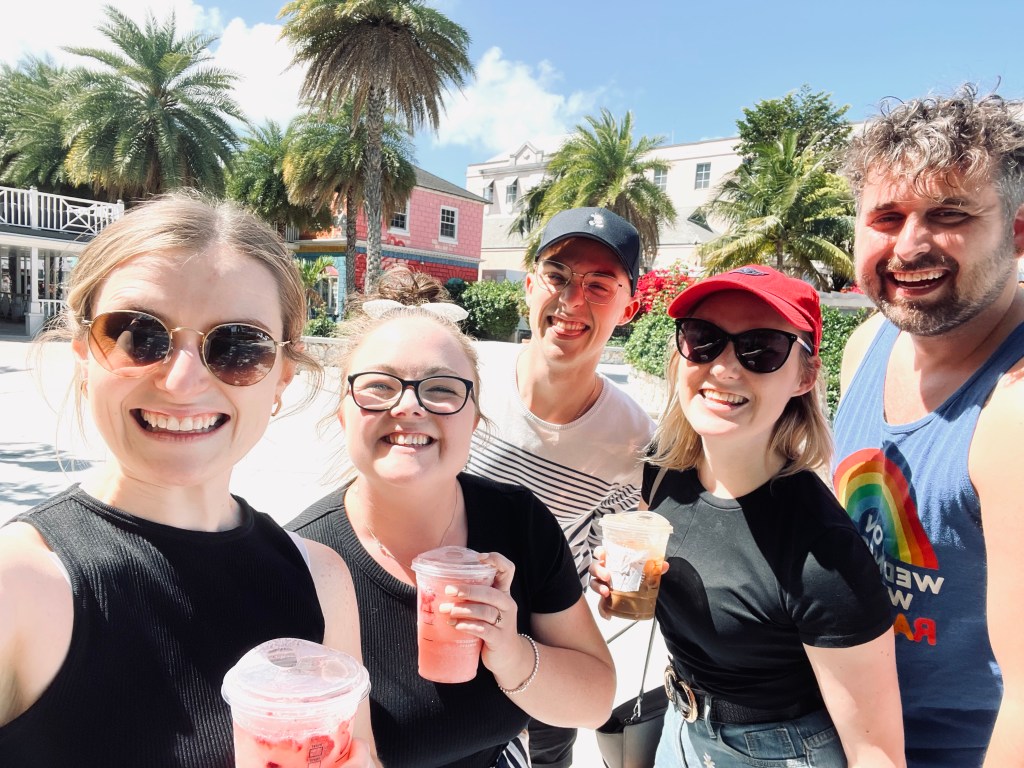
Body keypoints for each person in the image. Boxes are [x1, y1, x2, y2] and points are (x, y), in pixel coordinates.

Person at [0, 193, 374, 767]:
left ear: (280, 379)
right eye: (137, 335)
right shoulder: (17, 585)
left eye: (238, 347)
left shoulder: (322, 579)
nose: (181, 380)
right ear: (83, 359)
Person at [287, 267, 616, 768]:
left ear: (474, 420)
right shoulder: (300, 563)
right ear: (343, 414)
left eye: (441, 390)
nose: (410, 406)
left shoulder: (518, 522)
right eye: (379, 386)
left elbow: (594, 702)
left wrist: (511, 653)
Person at [591, 265, 905, 767]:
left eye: (762, 348)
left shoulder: (824, 554)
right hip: (680, 729)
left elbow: (877, 752)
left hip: (782, 752)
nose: (724, 367)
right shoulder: (661, 474)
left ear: (804, 376)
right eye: (704, 339)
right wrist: (622, 589)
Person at [833, 86, 1024, 768]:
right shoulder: (866, 347)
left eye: (949, 215)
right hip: (848, 734)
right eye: (886, 217)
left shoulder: (1014, 409)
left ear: (1018, 231)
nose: (910, 246)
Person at [465, 207, 655, 768]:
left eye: (599, 284)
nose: (572, 300)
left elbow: (622, 556)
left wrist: (616, 578)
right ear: (529, 286)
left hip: (542, 660)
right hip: (431, 633)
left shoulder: (633, 437)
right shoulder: (466, 383)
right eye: (558, 275)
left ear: (630, 307)